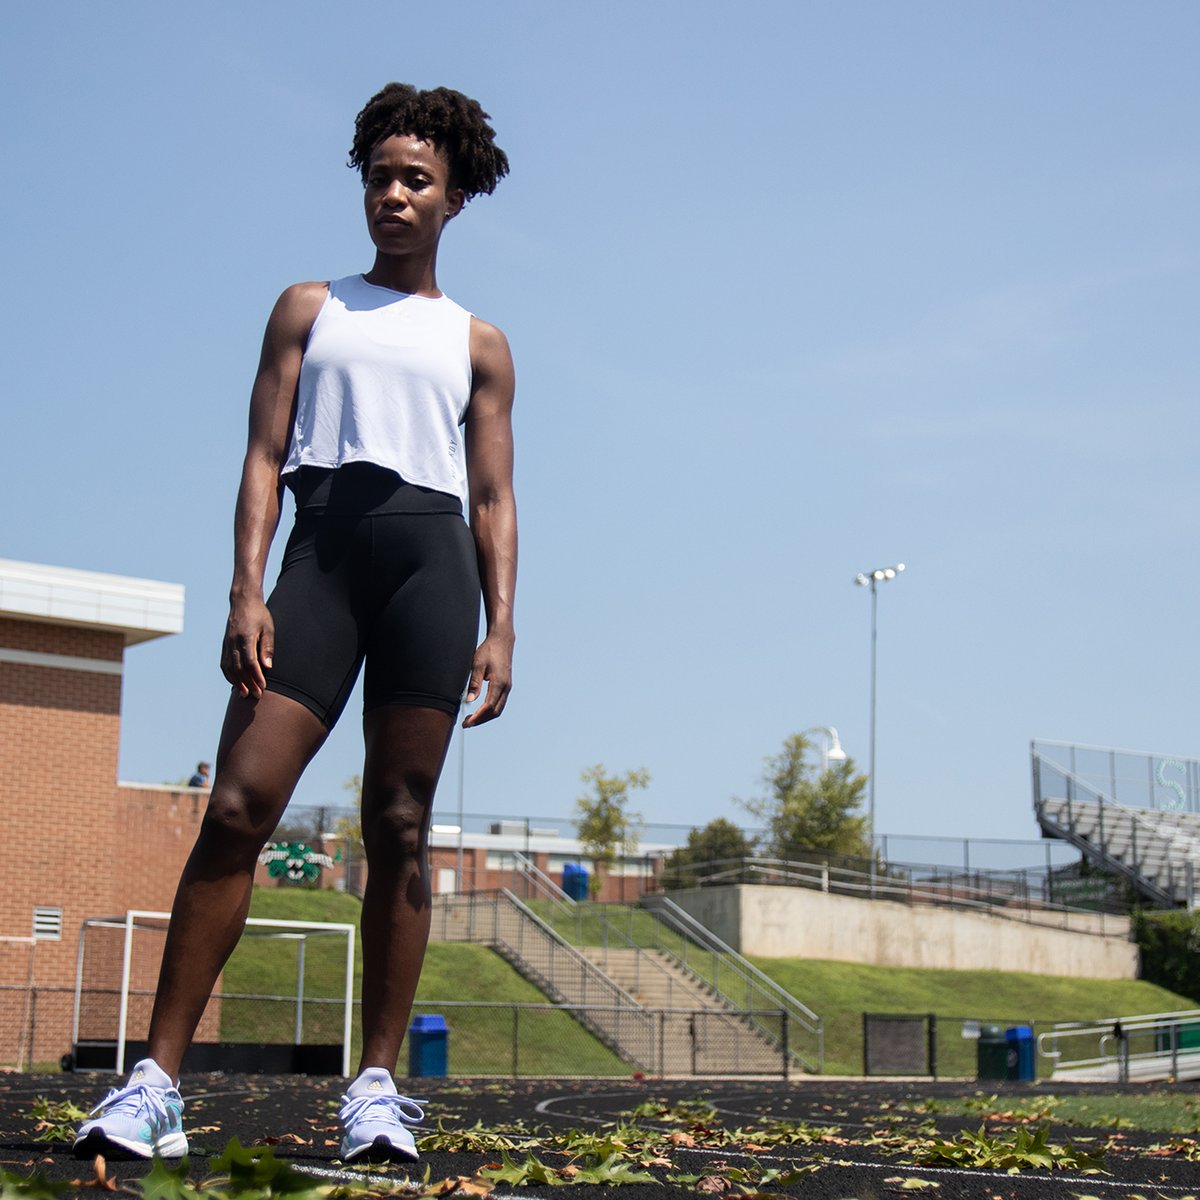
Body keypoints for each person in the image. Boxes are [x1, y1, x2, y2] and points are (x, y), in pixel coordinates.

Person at [74, 83, 516, 1165]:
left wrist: (502, 627)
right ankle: (155, 1084)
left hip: (430, 563)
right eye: (381, 177)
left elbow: (496, 497)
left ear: (453, 198)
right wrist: (245, 586)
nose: (396, 195)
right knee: (237, 803)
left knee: (401, 823)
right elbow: (264, 458)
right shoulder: (307, 308)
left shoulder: (480, 343)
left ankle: (372, 1088)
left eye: (418, 179)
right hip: (317, 557)